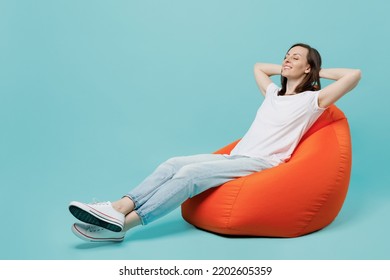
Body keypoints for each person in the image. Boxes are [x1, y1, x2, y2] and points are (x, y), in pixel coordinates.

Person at [68, 43, 361, 242]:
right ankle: (119, 207)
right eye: (286, 55)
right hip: (235, 156)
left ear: (309, 68)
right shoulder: (273, 94)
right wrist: (292, 68)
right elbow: (258, 66)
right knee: (172, 163)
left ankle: (125, 224)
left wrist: (315, 72)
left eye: (295, 58)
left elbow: (353, 75)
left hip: (262, 163)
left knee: (189, 175)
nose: (287, 59)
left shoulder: (313, 100)